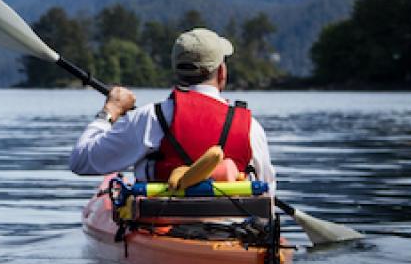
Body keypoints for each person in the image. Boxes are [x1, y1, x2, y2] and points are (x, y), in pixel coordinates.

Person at [68, 28, 276, 191]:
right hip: (235, 231)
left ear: (177, 71)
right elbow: (267, 193)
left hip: (160, 228)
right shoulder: (250, 127)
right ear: (221, 72)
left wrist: (110, 111)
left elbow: (80, 161)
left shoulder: (150, 118)